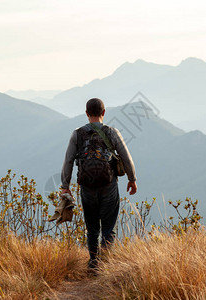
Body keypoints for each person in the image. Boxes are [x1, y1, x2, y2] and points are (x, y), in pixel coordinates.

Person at [60, 98, 137, 271]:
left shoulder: (77, 134)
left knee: (92, 227)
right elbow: (126, 157)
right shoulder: (112, 132)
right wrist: (132, 179)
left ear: (86, 114)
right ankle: (105, 265)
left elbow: (68, 160)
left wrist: (65, 185)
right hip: (109, 185)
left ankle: (93, 263)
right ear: (104, 112)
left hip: (87, 187)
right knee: (108, 227)